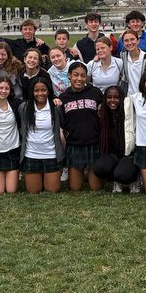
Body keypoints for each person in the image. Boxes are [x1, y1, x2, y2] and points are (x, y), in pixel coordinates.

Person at [59, 61, 105, 192]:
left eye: (83, 76)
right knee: (75, 188)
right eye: (76, 75)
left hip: (93, 142)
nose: (79, 79)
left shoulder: (95, 92)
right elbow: (62, 122)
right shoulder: (63, 97)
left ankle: (91, 172)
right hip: (75, 144)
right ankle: (80, 172)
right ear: (69, 75)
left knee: (96, 187)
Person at [20, 79, 65, 194]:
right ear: (32, 92)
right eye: (36, 90)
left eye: (43, 90)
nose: (40, 93)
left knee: (52, 190)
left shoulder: (55, 107)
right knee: (33, 191)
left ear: (49, 91)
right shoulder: (24, 108)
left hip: (51, 154)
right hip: (31, 155)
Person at [119, 30, 146, 96]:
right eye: (126, 40)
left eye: (132, 39)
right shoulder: (122, 56)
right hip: (128, 97)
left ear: (138, 41)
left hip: (144, 96)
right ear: (123, 43)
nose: (129, 43)